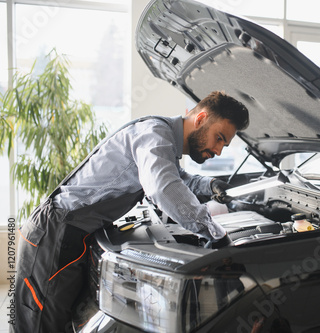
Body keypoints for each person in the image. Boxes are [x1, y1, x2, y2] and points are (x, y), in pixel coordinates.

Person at [13, 91, 249, 333]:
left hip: (72, 231)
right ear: (200, 119)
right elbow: (163, 187)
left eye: (225, 144)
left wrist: (209, 185)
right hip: (56, 232)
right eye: (219, 138)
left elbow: (176, 177)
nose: (219, 151)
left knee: (61, 320)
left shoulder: (162, 138)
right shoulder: (156, 135)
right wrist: (215, 233)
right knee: (39, 325)